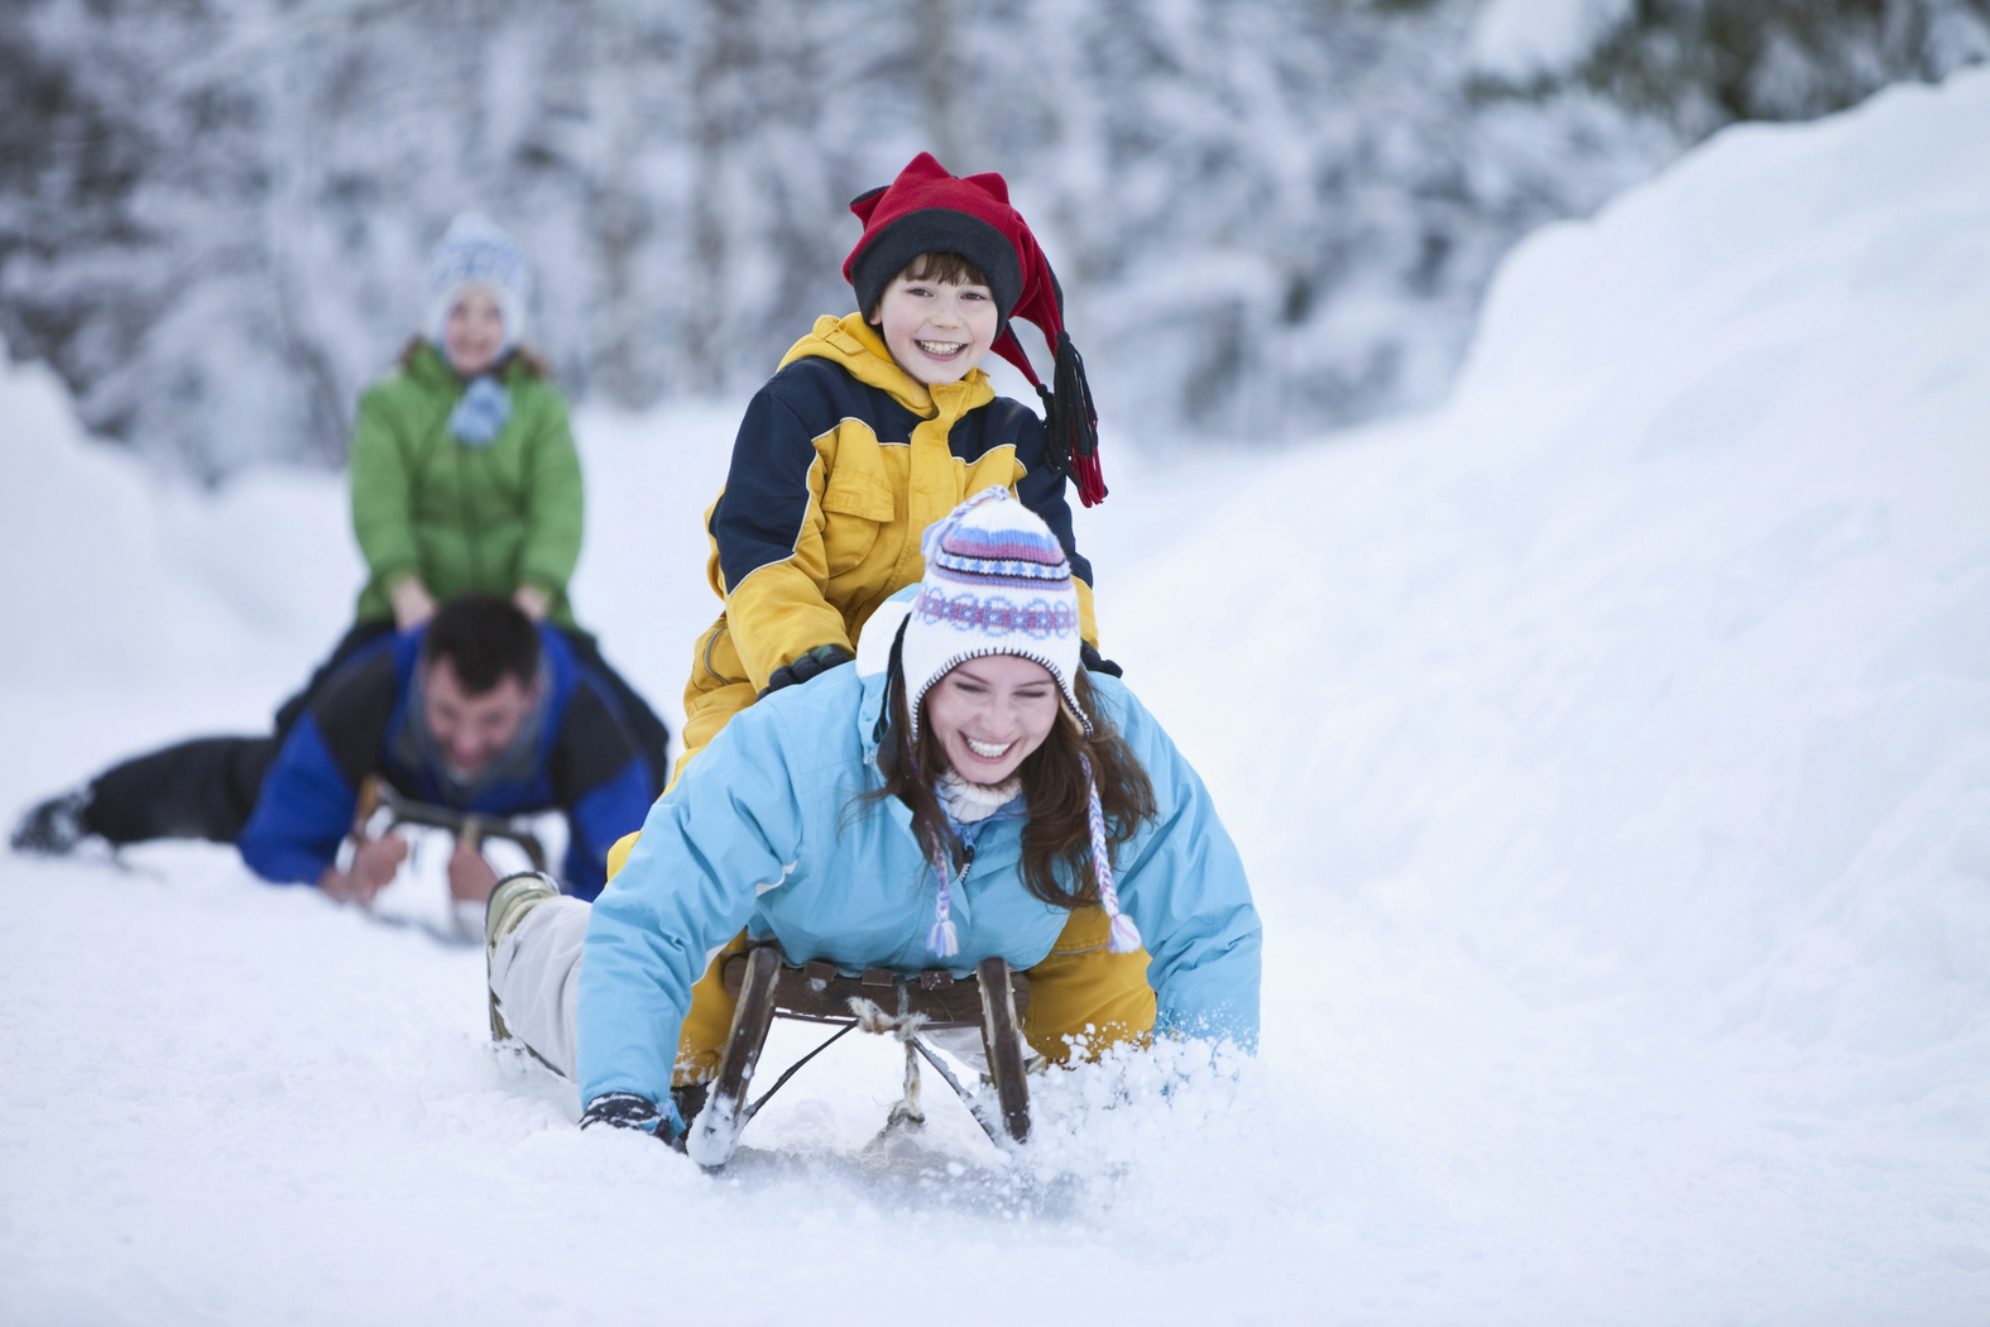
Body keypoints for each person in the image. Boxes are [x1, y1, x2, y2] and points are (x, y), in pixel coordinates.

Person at [485, 491, 1260, 1142]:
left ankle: (1111, 1110)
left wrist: (1203, 1118)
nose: (999, 724)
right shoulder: (802, 743)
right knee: (640, 1034)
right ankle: (526, 932)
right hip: (786, 922)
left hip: (1006, 929)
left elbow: (1208, 923)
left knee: (1111, 988)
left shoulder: (1103, 737)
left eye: (1032, 693)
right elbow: (653, 918)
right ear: (923, 671)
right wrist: (624, 1095)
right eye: (971, 687)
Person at [671, 151, 1115, 784]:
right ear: (876, 302)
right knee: (725, 812)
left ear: (998, 314)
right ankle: (636, 884)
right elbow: (763, 549)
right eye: (921, 290)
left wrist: (1075, 657)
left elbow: (1053, 571)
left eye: (972, 295)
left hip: (942, 697)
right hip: (780, 673)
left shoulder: (1014, 440)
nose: (946, 317)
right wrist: (809, 662)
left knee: (1063, 794)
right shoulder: (806, 403)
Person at [278, 212, 669, 786]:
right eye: (459, 310)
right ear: (437, 316)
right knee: (304, 726)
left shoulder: (539, 406)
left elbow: (559, 508)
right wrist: (406, 591)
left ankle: (628, 856)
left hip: (527, 613)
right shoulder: (393, 402)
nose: (474, 328)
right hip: (407, 612)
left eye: (492, 312)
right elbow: (378, 501)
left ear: (512, 322)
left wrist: (531, 600)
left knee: (640, 735)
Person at [11, 596, 656, 902]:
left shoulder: (587, 722)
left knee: (660, 793)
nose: (464, 742)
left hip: (571, 750)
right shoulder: (373, 690)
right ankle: (84, 810)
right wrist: (336, 878)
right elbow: (276, 838)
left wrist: (517, 903)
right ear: (420, 676)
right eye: (447, 713)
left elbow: (623, 893)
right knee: (260, 774)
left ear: (530, 696)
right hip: (383, 757)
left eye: (491, 722)